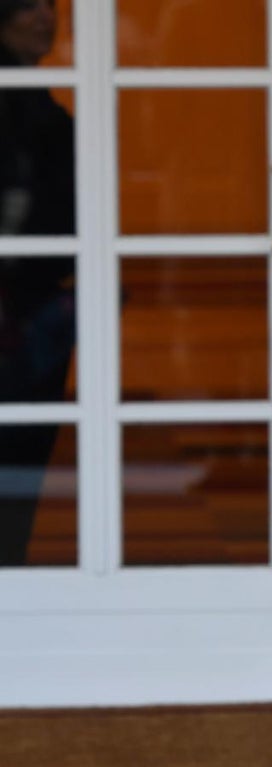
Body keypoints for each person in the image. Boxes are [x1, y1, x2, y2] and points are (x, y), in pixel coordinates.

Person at [0, 0, 75, 566]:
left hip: (36, 302)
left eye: (50, 7)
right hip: (19, 307)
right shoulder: (19, 101)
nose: (45, 19)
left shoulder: (33, 94)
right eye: (29, 7)